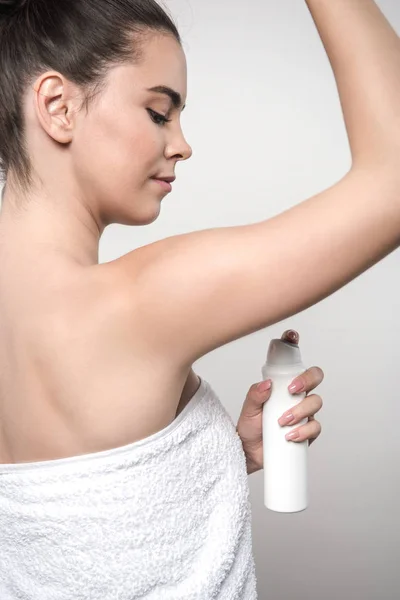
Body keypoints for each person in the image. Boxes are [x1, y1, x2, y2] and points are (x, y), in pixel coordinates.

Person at [0, 0, 398, 598]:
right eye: (160, 112)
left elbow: (67, 524)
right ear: (58, 107)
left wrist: (211, 461)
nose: (183, 145)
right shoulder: (139, 304)